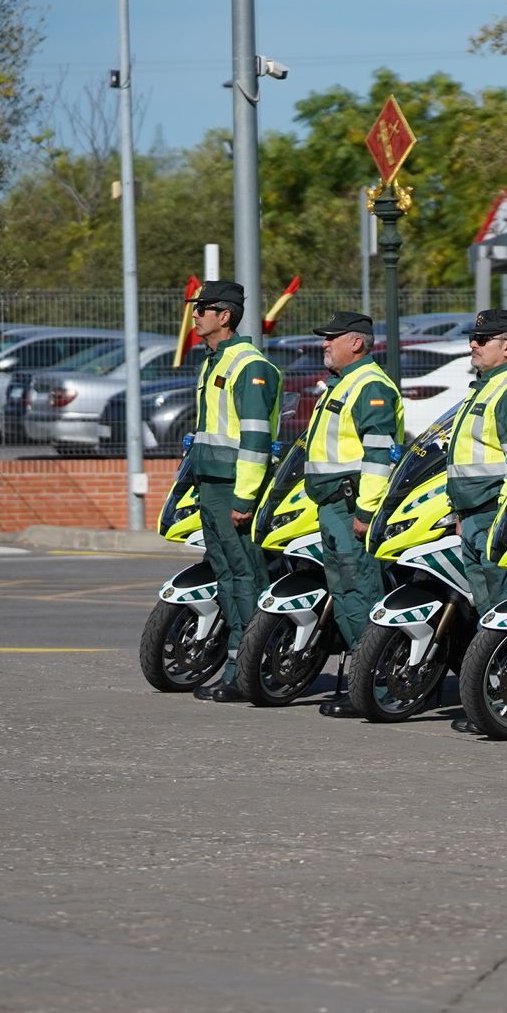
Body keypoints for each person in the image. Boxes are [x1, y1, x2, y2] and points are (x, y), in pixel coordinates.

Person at [447, 308, 507, 735]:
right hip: (474, 516)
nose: (474, 344)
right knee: (488, 615)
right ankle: (492, 701)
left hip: (494, 517)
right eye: (473, 337)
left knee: (505, 615)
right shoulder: (487, 386)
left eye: (482, 339)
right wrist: (460, 513)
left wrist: (503, 522)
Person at [304, 312, 405, 718]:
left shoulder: (370, 386)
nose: (325, 343)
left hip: (351, 509)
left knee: (361, 594)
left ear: (357, 342)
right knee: (345, 594)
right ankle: (362, 683)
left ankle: (377, 685)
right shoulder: (343, 383)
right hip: (333, 506)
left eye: (333, 337)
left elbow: (379, 455)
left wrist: (366, 510)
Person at [186, 280, 281, 702]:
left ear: (224, 316)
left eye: (202, 308)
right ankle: (235, 666)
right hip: (212, 484)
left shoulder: (249, 366)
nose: (195, 314)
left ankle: (251, 671)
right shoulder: (214, 361)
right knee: (226, 576)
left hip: (233, 488)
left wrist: (244, 498)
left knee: (246, 577)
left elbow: (256, 439)